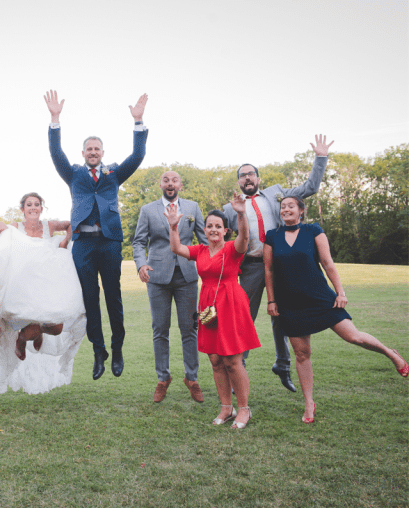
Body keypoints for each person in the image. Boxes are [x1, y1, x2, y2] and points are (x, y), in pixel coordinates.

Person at [264, 197, 409, 423]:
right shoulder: (272, 236)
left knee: (354, 336)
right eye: (282, 207)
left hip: (320, 298)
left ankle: (391, 353)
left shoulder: (313, 230)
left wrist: (340, 292)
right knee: (302, 354)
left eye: (291, 206)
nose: (286, 209)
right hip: (290, 303)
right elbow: (269, 270)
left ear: (301, 211)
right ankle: (309, 404)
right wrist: (271, 301)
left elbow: (327, 262)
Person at [45, 89, 148, 380]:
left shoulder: (114, 174)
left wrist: (138, 122)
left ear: (102, 152)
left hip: (109, 243)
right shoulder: (74, 174)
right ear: (83, 154)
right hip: (83, 245)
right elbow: (56, 153)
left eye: (97, 149)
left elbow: (138, 155)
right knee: (90, 299)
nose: (92, 152)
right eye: (88, 149)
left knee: (113, 298)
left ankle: (117, 350)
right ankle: (98, 352)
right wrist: (55, 119)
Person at [222, 135, 333, 393]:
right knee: (245, 317)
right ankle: (240, 365)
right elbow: (216, 236)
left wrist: (320, 158)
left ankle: (282, 365)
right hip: (250, 268)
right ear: (238, 182)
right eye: (242, 175)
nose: (247, 178)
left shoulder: (276, 194)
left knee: (282, 316)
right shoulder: (231, 208)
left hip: (279, 265)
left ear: (258, 179)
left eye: (251, 174)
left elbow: (309, 188)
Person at [166, 195, 261, 429]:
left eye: (218, 226)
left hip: (231, 304)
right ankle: (226, 407)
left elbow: (245, 237)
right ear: (205, 229)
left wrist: (240, 214)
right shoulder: (199, 250)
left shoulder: (232, 248)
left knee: (232, 360)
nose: (213, 229)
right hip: (209, 305)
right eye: (209, 226)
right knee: (216, 359)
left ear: (225, 230)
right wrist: (173, 226)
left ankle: (244, 409)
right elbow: (176, 247)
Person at [0, 192, 87, 396]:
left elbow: (71, 225)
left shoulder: (48, 226)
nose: (33, 208)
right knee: (31, 324)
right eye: (29, 205)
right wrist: (1, 227)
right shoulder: (16, 227)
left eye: (37, 204)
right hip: (25, 287)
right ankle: (23, 339)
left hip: (47, 284)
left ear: (41, 208)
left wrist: (65, 242)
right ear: (22, 209)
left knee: (57, 328)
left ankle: (35, 332)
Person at [133, 171, 207, 403]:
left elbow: (204, 241)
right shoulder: (148, 210)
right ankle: (163, 378)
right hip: (157, 277)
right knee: (160, 330)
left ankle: (191, 378)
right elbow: (138, 242)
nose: (170, 184)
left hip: (187, 276)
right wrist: (141, 264)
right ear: (161, 185)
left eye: (174, 180)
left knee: (190, 329)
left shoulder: (193, 208)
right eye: (166, 180)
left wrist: (213, 266)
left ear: (180, 185)